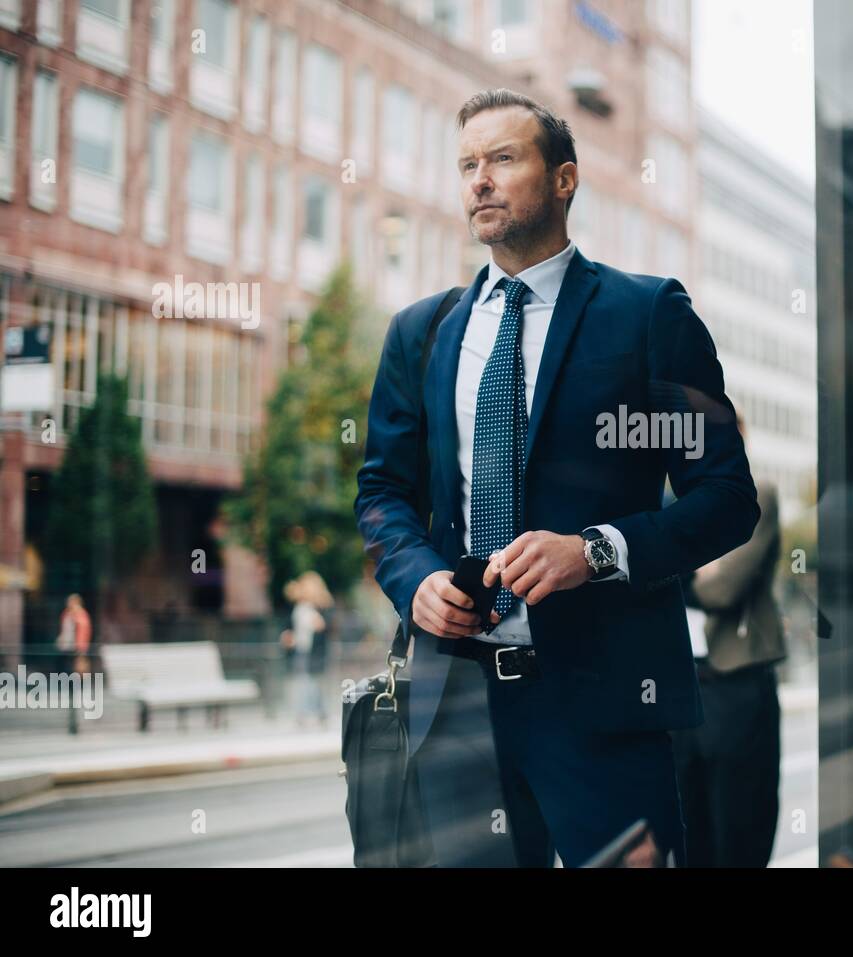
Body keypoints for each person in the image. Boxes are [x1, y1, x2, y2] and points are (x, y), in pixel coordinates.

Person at [355, 88, 758, 867]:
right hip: (459, 706)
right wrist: (417, 581)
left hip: (606, 705)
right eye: (467, 164)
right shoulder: (421, 332)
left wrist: (597, 551)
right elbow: (382, 493)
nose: (479, 180)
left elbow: (726, 498)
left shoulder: (647, 317)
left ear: (564, 179)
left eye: (503, 159)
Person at [672, 413, 786, 867]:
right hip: (679, 687)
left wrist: (658, 558)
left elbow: (722, 587)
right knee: (686, 834)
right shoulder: (665, 498)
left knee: (740, 831)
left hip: (735, 682)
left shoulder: (756, 495)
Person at [281, 573, 330, 728]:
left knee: (314, 683)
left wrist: (321, 626)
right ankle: (302, 714)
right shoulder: (297, 609)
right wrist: (287, 637)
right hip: (299, 651)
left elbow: (326, 628)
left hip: (314, 653)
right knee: (301, 682)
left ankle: (319, 712)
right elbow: (290, 628)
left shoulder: (319, 610)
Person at [56, 593, 92, 676]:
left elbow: (84, 631)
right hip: (65, 645)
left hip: (77, 646)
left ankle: (75, 686)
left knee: (77, 668)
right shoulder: (66, 613)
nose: (69, 604)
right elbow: (63, 629)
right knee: (64, 667)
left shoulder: (81, 615)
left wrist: (82, 647)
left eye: (71, 602)